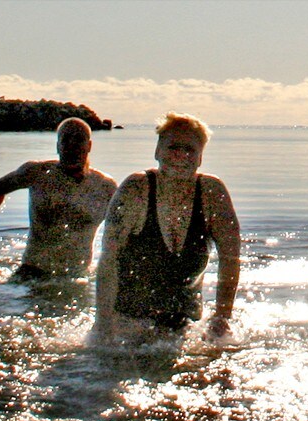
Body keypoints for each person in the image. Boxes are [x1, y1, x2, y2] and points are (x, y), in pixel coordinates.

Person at [93, 112, 241, 342]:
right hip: (130, 321)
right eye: (173, 147)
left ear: (200, 158)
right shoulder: (136, 190)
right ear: (157, 152)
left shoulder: (213, 194)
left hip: (184, 325)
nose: (181, 155)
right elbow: (109, 259)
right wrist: (103, 324)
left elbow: (230, 259)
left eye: (190, 150)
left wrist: (221, 319)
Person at [0, 116, 118, 280]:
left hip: (77, 277)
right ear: (57, 146)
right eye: (65, 140)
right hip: (31, 273)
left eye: (79, 140)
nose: (72, 146)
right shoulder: (37, 174)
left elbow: (124, 228)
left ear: (89, 146)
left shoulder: (105, 188)